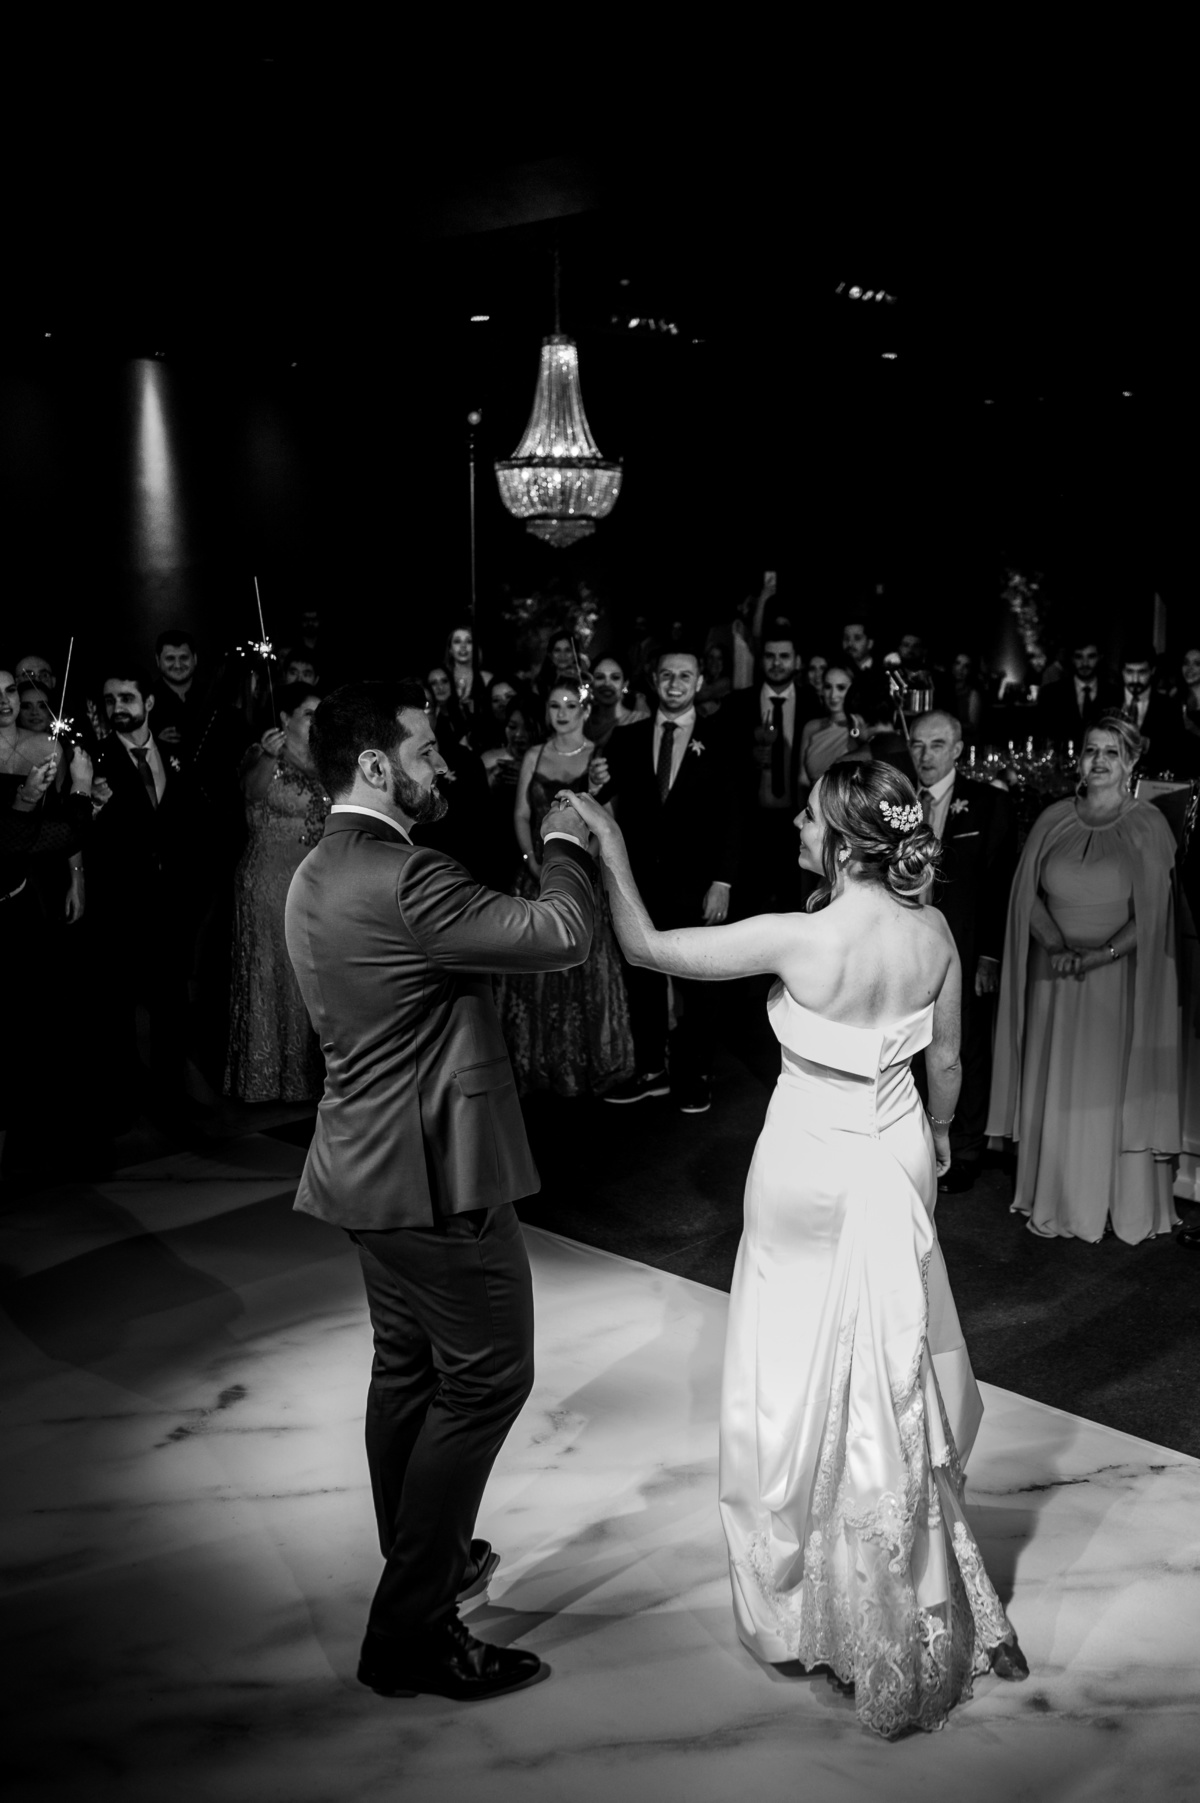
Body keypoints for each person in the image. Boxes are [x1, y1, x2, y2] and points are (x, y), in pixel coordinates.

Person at [560, 761, 1027, 1738]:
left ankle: (812, 1595)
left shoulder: (799, 937)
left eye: (811, 819)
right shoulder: (935, 933)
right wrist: (941, 1134)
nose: (798, 829)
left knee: (797, 1369)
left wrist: (609, 844)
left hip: (810, 1166)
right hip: (896, 1148)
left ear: (847, 844)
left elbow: (645, 947)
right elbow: (946, 1060)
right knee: (890, 1365)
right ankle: (912, 1590)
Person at [284, 679, 596, 1703]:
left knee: (406, 1372)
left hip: (362, 1172)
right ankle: (411, 1630)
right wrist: (566, 842)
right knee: (488, 1380)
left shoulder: (315, 870)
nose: (443, 764)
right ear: (376, 765)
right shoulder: (408, 876)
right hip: (435, 1178)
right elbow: (560, 933)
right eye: (424, 751)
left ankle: (427, 1553)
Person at [987, 714, 1181, 1242]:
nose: (1098, 761)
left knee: (1104, 1088)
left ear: (1131, 762)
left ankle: (1113, 1199)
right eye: (1091, 750)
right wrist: (1056, 946)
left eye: (1111, 752)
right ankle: (1056, 1195)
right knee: (1057, 1083)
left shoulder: (1148, 824)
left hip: (1118, 980)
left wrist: (1101, 954)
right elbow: (1025, 894)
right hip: (1053, 975)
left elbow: (1156, 912)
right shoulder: (1053, 818)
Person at [599, 648, 740, 1114]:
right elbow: (602, 794)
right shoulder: (627, 737)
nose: (674, 683)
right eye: (666, 675)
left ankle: (696, 1073)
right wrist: (594, 778)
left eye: (684, 676)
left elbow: (733, 816)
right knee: (641, 978)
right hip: (637, 884)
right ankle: (650, 1071)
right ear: (654, 680)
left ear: (698, 682)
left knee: (699, 982)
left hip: (697, 884)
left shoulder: (720, 738)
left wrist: (723, 881)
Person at [495, 680, 633, 1097]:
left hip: (580, 873)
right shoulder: (534, 754)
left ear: (585, 710)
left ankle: (584, 1064)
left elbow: (607, 823)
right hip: (535, 873)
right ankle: (535, 1065)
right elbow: (521, 814)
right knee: (534, 970)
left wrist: (580, 863)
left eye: (571, 705)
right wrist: (531, 860)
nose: (562, 712)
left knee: (582, 968)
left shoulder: (597, 758)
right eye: (555, 705)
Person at [909, 711, 1017, 1192]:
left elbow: (999, 884)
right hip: (906, 942)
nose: (925, 754)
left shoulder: (990, 803)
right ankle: (913, 1144)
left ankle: (966, 1149)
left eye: (936, 745)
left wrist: (991, 955)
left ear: (957, 751)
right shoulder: (898, 801)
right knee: (910, 1043)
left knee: (963, 1046)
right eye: (917, 744)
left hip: (964, 945)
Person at [224, 684, 329, 1103]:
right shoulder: (262, 755)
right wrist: (268, 756)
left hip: (315, 884)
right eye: (308, 713)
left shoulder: (327, 760)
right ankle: (266, 1077)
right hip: (269, 884)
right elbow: (249, 792)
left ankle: (306, 1077)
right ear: (285, 718)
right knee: (274, 972)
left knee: (310, 976)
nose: (317, 721)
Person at [723, 632, 821, 913]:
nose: (777, 663)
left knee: (794, 905)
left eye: (784, 656)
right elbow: (723, 759)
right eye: (770, 656)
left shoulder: (813, 702)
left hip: (797, 820)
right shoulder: (737, 703)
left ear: (797, 661)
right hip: (750, 822)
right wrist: (749, 757)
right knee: (747, 906)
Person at [798, 665, 871, 794]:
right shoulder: (811, 727)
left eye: (841, 687)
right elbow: (802, 781)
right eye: (828, 687)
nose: (833, 695)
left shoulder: (862, 729)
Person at [1036, 638, 1119, 750]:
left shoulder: (1114, 694)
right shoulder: (1051, 693)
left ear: (1100, 657)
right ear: (1071, 658)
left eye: (1091, 657)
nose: (1085, 663)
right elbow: (1042, 737)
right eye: (1079, 657)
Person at [584, 655, 649, 750]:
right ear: (591, 683)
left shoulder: (639, 721)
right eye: (599, 677)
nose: (607, 684)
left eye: (615, 678)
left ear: (625, 684)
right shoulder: (583, 723)